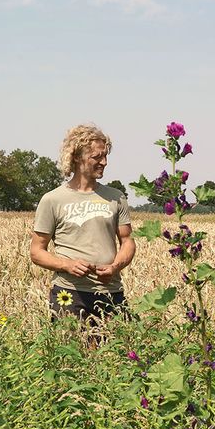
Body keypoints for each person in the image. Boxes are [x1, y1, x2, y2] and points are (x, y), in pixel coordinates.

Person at [30, 124, 135, 322]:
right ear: (77, 156)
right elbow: (36, 252)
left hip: (112, 293)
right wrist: (67, 265)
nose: (104, 162)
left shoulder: (116, 197)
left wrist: (115, 267)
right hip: (69, 294)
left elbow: (127, 241)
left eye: (105, 156)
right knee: (71, 351)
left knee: (118, 352)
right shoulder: (53, 200)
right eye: (96, 157)